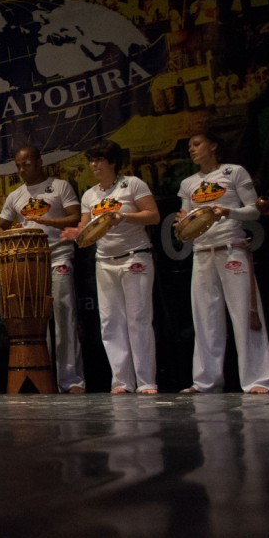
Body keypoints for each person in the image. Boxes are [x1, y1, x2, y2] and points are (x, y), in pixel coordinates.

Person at [61, 140, 160, 394]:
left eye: (99, 160)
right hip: (105, 261)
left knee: (138, 319)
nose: (94, 165)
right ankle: (122, 381)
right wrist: (76, 233)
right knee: (110, 322)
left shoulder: (132, 184)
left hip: (134, 257)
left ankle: (146, 381)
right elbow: (86, 229)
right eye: (91, 161)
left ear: (112, 162)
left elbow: (153, 215)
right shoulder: (90, 195)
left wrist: (123, 216)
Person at [176, 132, 269, 394]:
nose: (192, 150)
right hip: (201, 252)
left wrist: (228, 211)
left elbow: (254, 210)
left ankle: (258, 380)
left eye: (197, 144)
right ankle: (205, 381)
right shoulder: (188, 183)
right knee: (205, 318)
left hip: (231, 248)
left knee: (245, 315)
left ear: (214, 146)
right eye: (189, 146)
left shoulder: (233, 172)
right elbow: (186, 218)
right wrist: (182, 223)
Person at [0, 146, 85, 393]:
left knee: (64, 316)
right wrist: (11, 235)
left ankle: (71, 380)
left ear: (39, 162)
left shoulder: (59, 187)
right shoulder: (16, 195)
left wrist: (49, 222)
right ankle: (43, 377)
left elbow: (75, 217)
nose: (22, 169)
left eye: (27, 164)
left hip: (58, 255)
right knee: (36, 322)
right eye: (18, 166)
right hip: (30, 264)